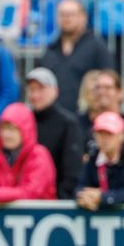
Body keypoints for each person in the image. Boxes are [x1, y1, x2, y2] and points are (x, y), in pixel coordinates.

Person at [37, 0, 113, 113]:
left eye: (71, 14)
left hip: (87, 118)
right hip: (55, 118)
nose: (66, 18)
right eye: (62, 14)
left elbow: (109, 81)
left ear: (83, 17)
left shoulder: (97, 47)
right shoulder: (49, 50)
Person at [0, 103, 55, 204]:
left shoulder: (39, 155)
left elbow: (30, 192)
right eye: (3, 128)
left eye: (12, 129)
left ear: (26, 130)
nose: (6, 134)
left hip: (39, 217)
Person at [75, 112, 124, 211]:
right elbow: (80, 186)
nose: (105, 139)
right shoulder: (94, 157)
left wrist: (105, 198)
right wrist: (84, 197)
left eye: (109, 134)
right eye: (100, 134)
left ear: (122, 135)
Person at [23, 68, 81, 200]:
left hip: (55, 201)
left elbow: (72, 170)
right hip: (26, 198)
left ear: (55, 91)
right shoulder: (24, 120)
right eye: (32, 90)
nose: (35, 95)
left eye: (40, 89)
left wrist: (59, 200)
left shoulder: (68, 123)